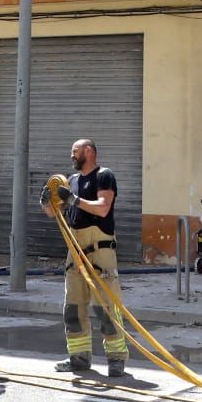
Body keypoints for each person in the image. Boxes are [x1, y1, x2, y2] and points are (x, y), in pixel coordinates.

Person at [48, 137, 129, 377]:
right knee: (73, 308)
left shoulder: (104, 176)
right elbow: (56, 212)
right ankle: (79, 358)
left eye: (75, 151)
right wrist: (48, 202)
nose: (71, 155)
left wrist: (74, 199)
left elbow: (103, 207)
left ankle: (116, 359)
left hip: (100, 250)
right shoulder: (71, 181)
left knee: (106, 306)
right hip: (76, 252)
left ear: (89, 151)